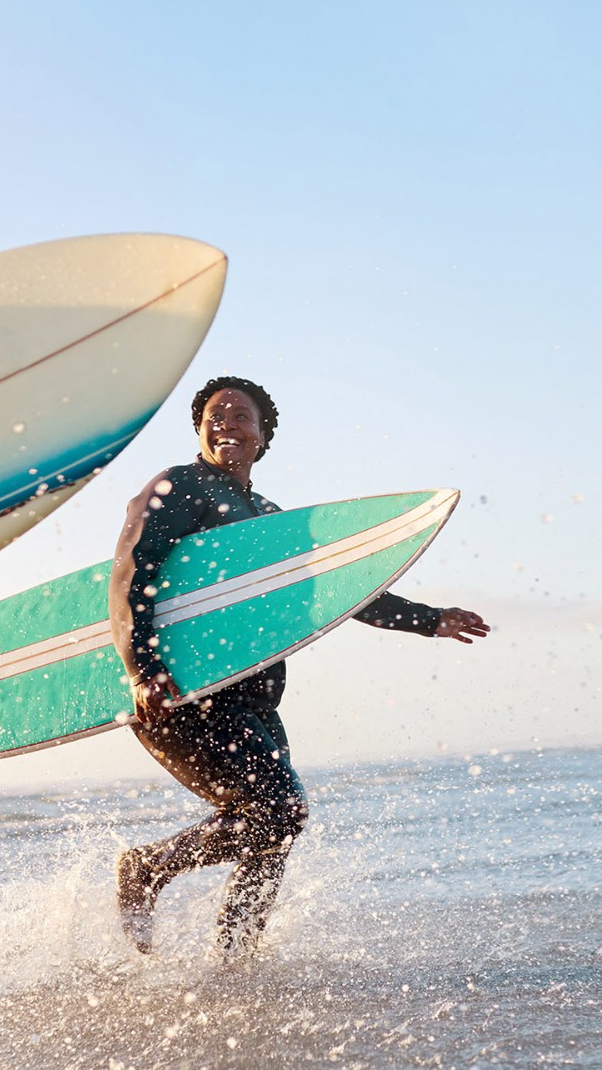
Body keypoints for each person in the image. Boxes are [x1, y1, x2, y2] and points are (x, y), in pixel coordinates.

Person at [110, 376, 488, 959]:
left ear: (264, 437)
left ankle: (235, 961)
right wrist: (143, 668)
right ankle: (146, 869)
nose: (227, 423)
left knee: (271, 836)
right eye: (216, 414)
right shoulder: (178, 486)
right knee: (280, 811)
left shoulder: (268, 517)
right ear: (199, 429)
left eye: (242, 416)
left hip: (253, 701)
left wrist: (428, 619)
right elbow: (132, 574)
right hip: (184, 693)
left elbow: (338, 591)